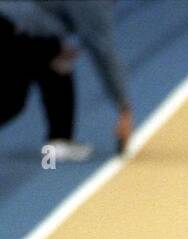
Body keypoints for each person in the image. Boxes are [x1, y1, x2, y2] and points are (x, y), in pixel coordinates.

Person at [0, 0, 132, 160]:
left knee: (57, 60)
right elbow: (102, 50)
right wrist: (124, 107)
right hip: (13, 25)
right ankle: (59, 140)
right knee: (11, 101)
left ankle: (59, 140)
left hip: (21, 24)